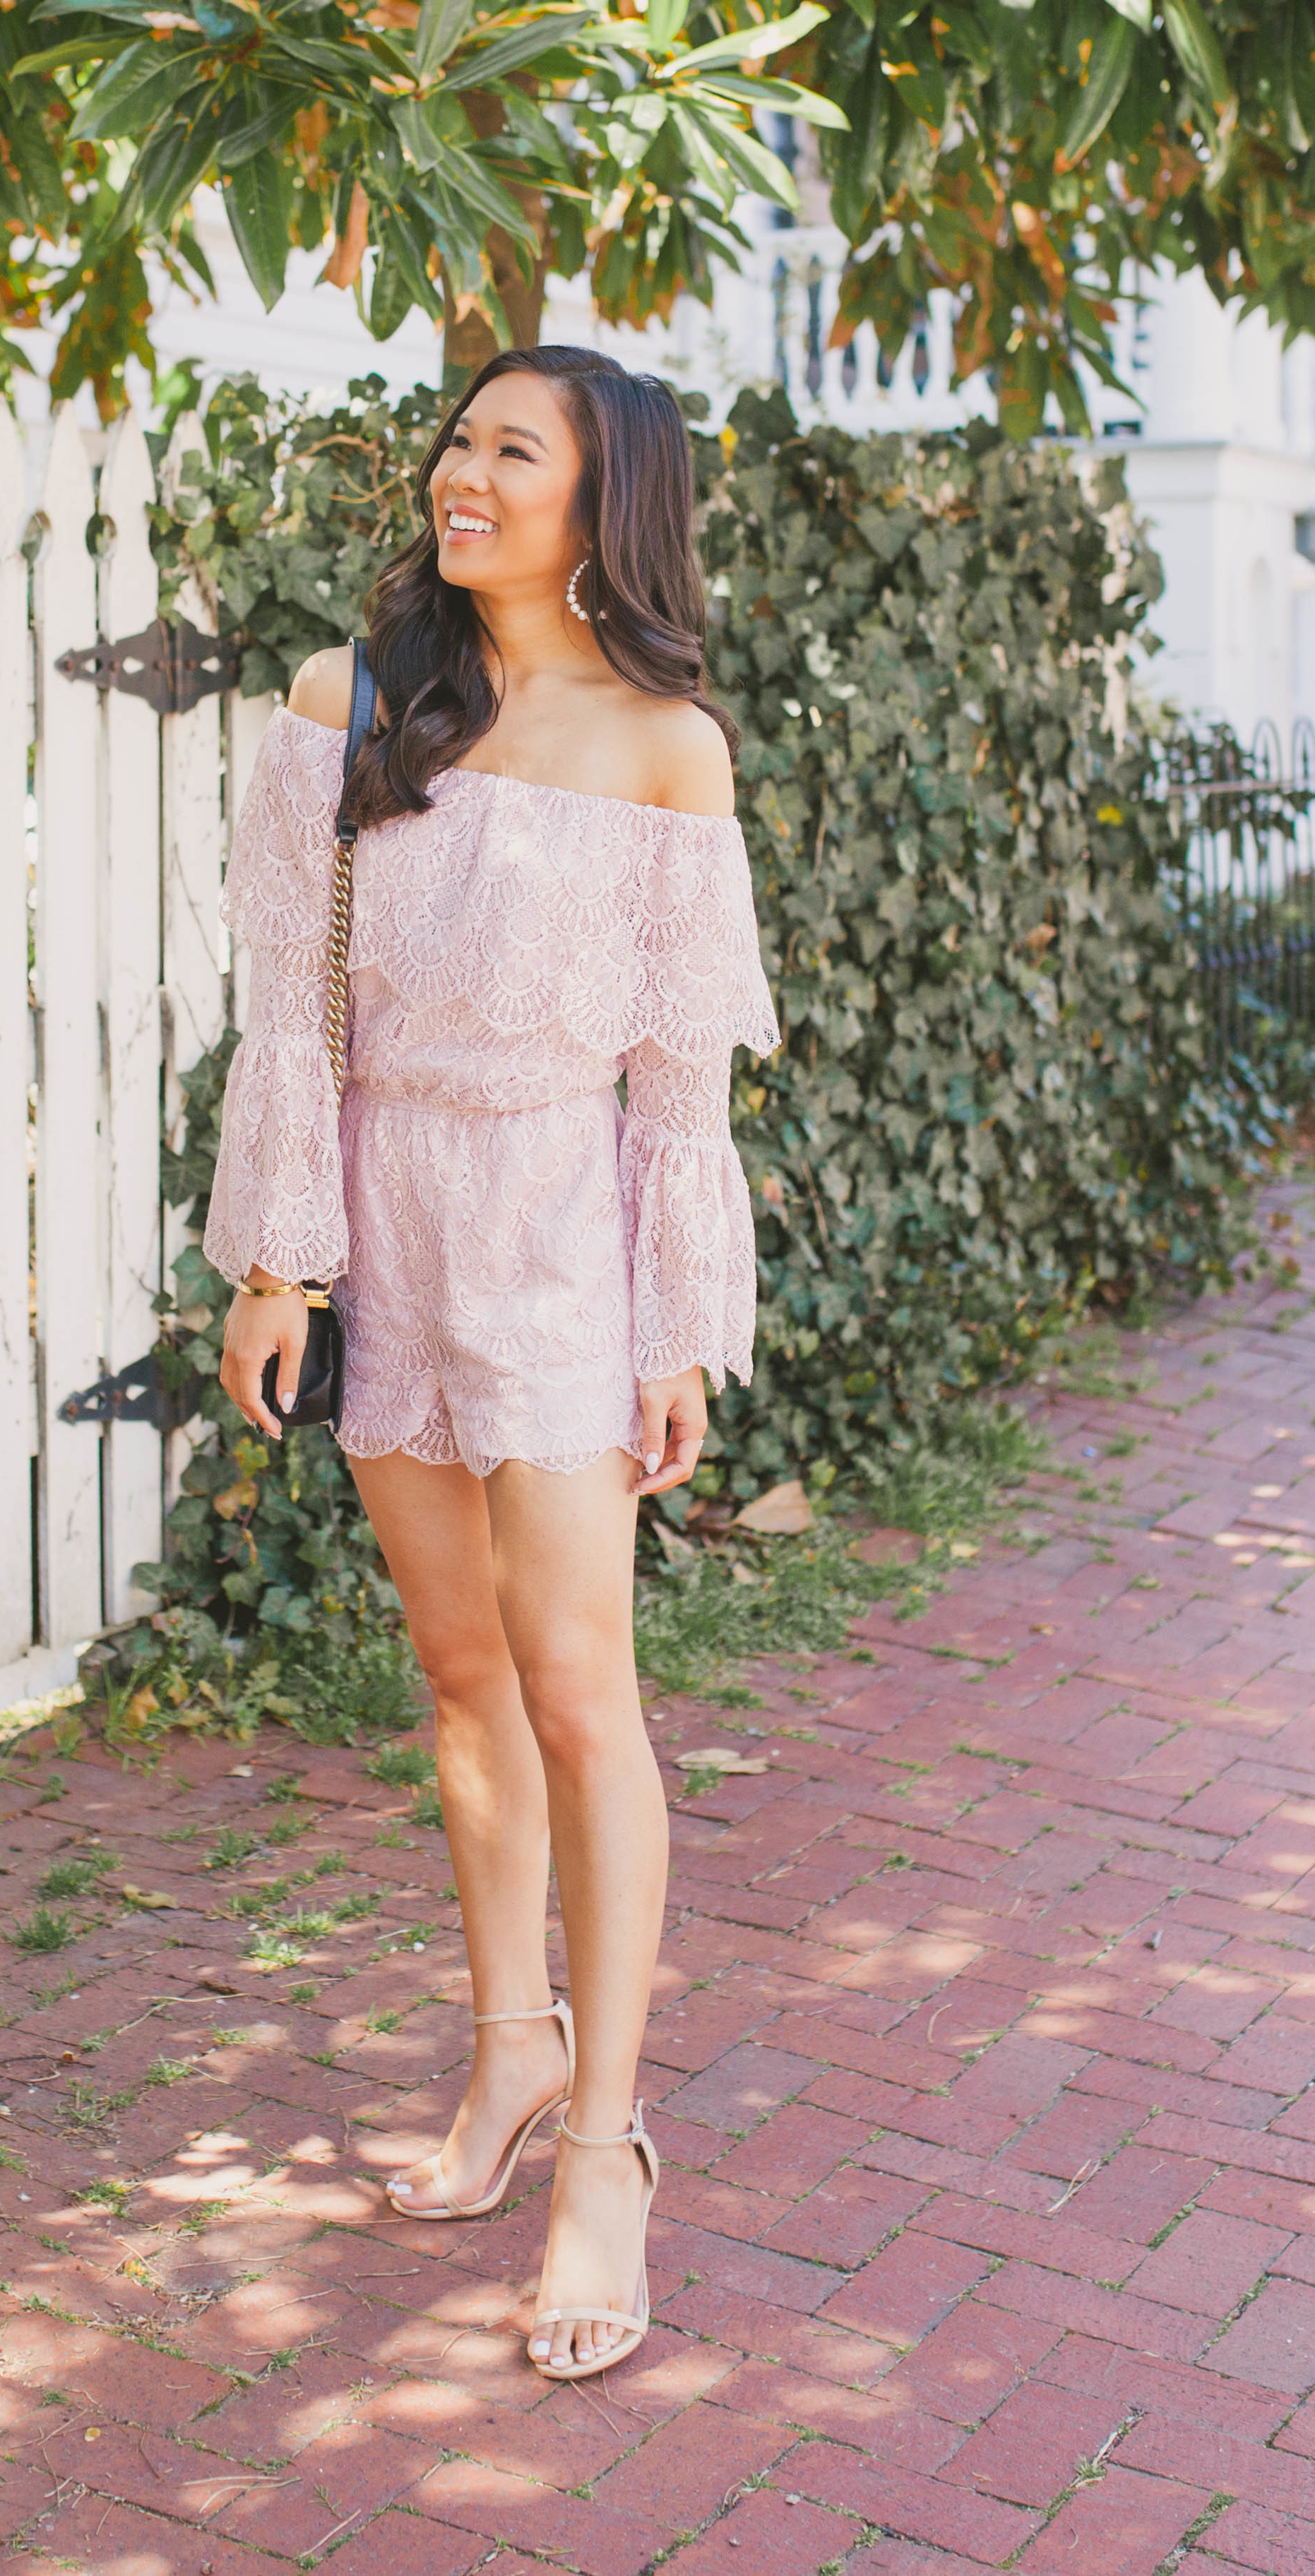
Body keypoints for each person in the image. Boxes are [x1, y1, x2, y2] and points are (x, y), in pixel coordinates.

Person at [205, 345, 777, 2380]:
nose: (464, 472)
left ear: (602, 501)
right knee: (459, 1679)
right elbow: (294, 1012)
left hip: (556, 1241)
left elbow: (678, 1089)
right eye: (460, 441)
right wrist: (279, 1263)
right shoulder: (346, 706)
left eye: (511, 451)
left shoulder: (667, 749)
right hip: (392, 1217)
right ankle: (509, 2051)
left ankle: (605, 2149)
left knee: (580, 1691)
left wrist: (678, 1329)